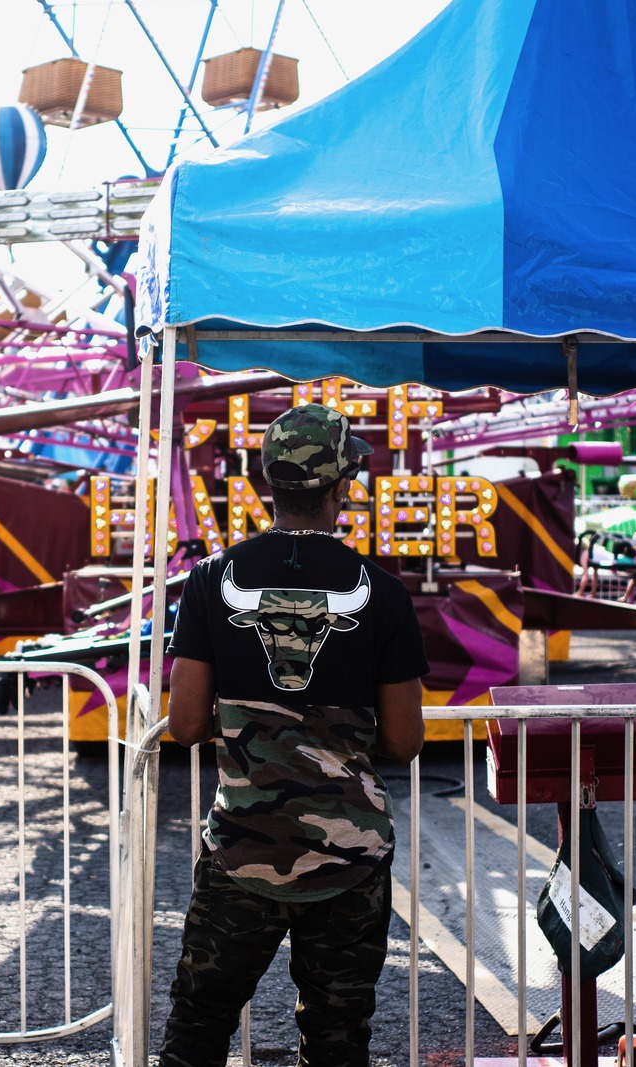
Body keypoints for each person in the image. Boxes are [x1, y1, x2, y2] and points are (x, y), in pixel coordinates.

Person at [160, 403, 428, 1067]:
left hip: (242, 850)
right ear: (343, 485)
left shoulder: (211, 582)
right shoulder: (383, 594)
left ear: (266, 481)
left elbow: (185, 724)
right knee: (338, 1038)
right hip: (351, 856)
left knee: (199, 1025)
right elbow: (404, 740)